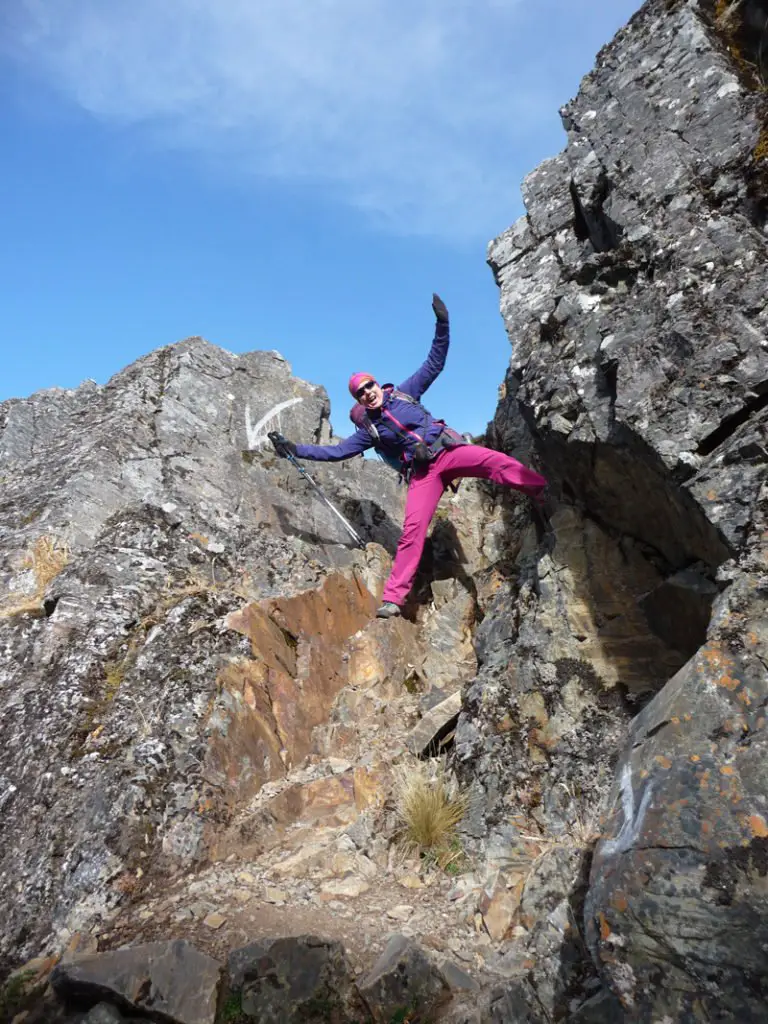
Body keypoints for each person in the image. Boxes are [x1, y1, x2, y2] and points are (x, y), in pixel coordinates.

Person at [273, 294, 547, 618]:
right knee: (412, 532)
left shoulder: (406, 392)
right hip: (423, 474)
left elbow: (435, 362)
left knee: (495, 462)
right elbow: (336, 452)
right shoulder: (369, 431)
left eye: (369, 385)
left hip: (448, 451)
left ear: (377, 383)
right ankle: (393, 599)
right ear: (359, 401)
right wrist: (295, 449)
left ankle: (542, 491)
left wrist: (442, 323)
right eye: (361, 392)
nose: (368, 392)